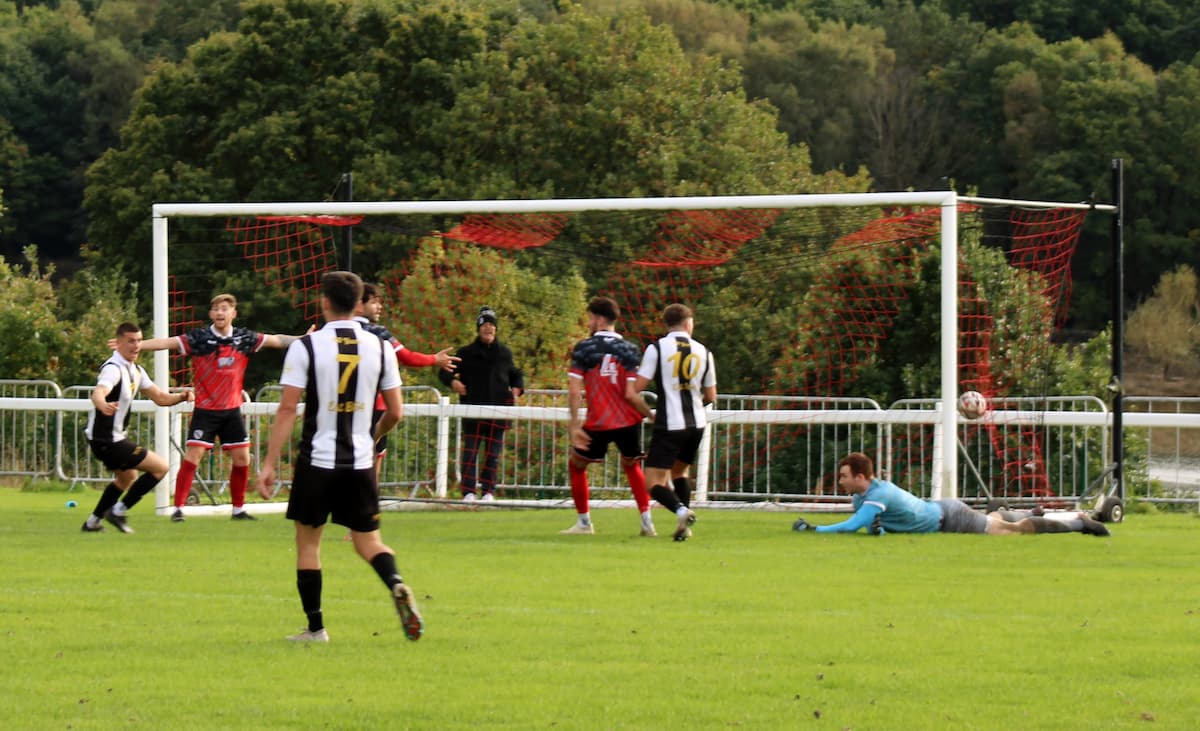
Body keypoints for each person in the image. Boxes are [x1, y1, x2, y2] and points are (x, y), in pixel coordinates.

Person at [254, 271, 423, 643]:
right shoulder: (381, 347)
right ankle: (395, 582)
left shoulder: (307, 346)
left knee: (308, 544)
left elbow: (287, 408)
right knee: (369, 542)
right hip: (360, 462)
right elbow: (396, 412)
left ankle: (316, 629)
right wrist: (371, 437)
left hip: (317, 461)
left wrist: (268, 463)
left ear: (325, 302)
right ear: (359, 303)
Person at [131, 293, 304, 521]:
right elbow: (166, 342)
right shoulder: (200, 338)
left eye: (224, 308)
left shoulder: (244, 338)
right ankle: (178, 509)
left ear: (234, 313)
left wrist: (303, 339)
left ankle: (238, 509)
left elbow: (276, 340)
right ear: (211, 314)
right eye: (216, 309)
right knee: (193, 456)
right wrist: (136, 345)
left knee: (242, 458)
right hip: (206, 410)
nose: (220, 312)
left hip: (232, 410)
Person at [790, 451, 1111, 536]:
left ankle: (1079, 523)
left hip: (950, 518)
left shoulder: (878, 494)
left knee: (1013, 532)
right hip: (943, 511)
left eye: (844, 476)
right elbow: (877, 526)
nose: (840, 481)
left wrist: (814, 529)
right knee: (997, 518)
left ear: (861, 477)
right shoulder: (861, 497)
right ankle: (1032, 511)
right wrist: (880, 532)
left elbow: (851, 527)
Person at [82, 322, 194, 533]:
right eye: (131, 341)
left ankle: (92, 523)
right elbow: (99, 391)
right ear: (118, 343)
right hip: (107, 440)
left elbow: (160, 398)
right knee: (160, 467)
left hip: (109, 438)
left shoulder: (136, 370)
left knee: (127, 478)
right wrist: (102, 404)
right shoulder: (113, 369)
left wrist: (181, 396)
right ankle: (118, 511)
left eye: (140, 341)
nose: (136, 346)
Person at [561, 296, 656, 537]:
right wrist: (649, 414)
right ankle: (647, 522)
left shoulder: (584, 348)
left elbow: (574, 391)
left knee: (577, 465)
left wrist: (574, 425)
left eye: (591, 318)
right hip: (628, 421)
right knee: (632, 465)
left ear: (600, 319)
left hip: (599, 421)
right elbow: (632, 393)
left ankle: (584, 523)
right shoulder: (630, 349)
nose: (589, 323)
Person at [625, 304, 717, 542]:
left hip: (670, 423)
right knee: (680, 471)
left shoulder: (656, 348)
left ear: (667, 324)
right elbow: (711, 396)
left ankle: (682, 512)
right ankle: (684, 526)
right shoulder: (704, 351)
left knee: (652, 482)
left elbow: (633, 392)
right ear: (688, 324)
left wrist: (649, 414)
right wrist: (693, 403)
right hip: (697, 424)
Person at [356, 282, 458, 464]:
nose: (379, 307)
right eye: (374, 302)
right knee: (371, 460)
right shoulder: (378, 333)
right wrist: (434, 359)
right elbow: (406, 357)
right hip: (373, 406)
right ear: (359, 304)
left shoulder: (333, 331)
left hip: (341, 405)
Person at [439, 306, 524, 502]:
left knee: (493, 455)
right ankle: (468, 492)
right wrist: (453, 383)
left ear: (496, 329)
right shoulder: (466, 353)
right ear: (478, 328)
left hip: (499, 412)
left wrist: (518, 388)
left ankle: (488, 492)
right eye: (485, 325)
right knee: (470, 453)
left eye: (492, 325)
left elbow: (515, 373)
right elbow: (444, 371)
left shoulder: (504, 353)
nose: (489, 328)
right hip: (473, 411)